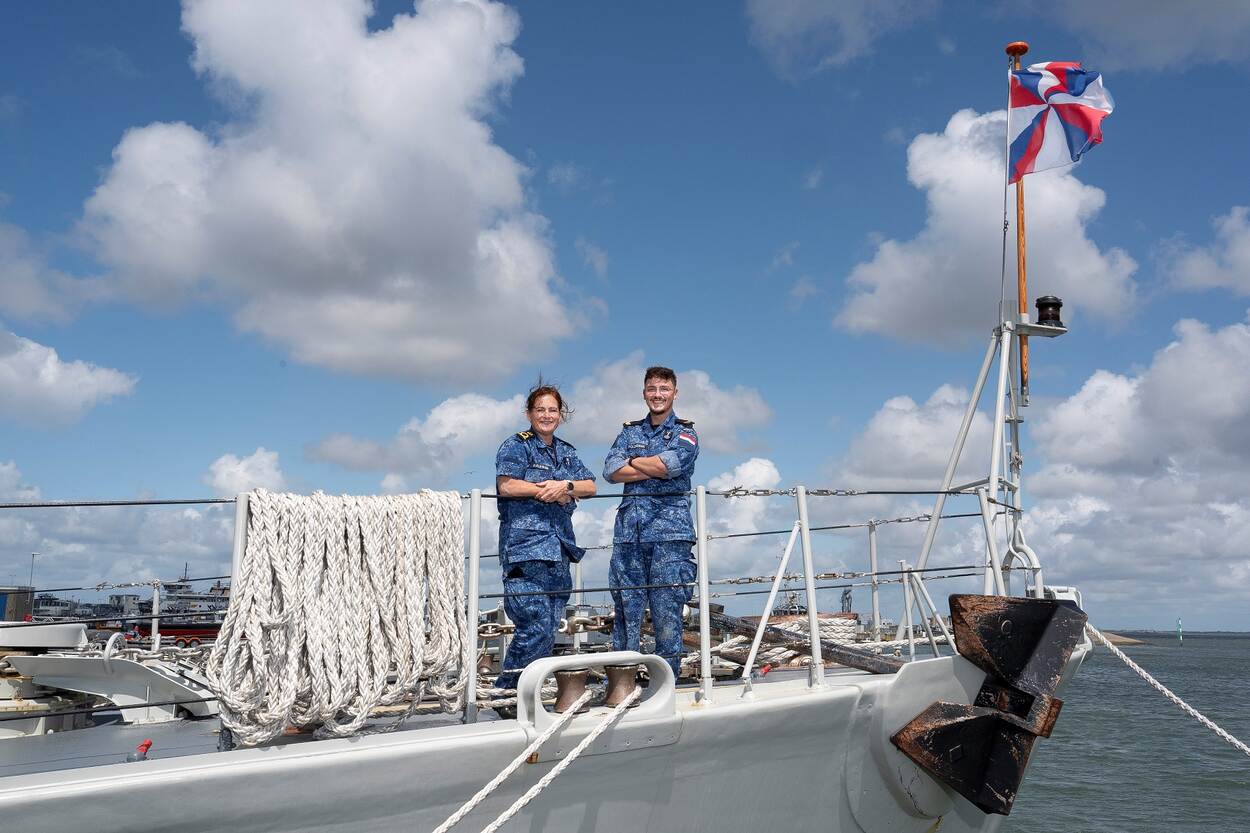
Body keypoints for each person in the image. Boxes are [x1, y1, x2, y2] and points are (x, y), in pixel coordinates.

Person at [494, 383, 596, 694]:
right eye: (540, 410)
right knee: (534, 625)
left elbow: (590, 486)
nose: (547, 415)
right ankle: (507, 692)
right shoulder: (516, 446)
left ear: (561, 415)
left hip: (559, 550)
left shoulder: (566, 452)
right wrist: (547, 490)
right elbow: (507, 485)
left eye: (552, 410)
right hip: (525, 551)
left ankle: (527, 693)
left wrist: (566, 486)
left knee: (549, 627)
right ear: (529, 414)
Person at [603, 366, 699, 679]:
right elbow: (610, 470)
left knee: (667, 612)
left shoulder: (686, 433)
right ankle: (622, 683)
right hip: (629, 535)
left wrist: (632, 462)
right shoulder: (629, 432)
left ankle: (665, 683)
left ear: (675, 393)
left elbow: (671, 465)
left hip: (670, 536)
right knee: (626, 613)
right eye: (652, 389)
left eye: (664, 389)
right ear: (644, 392)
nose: (658, 395)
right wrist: (651, 465)